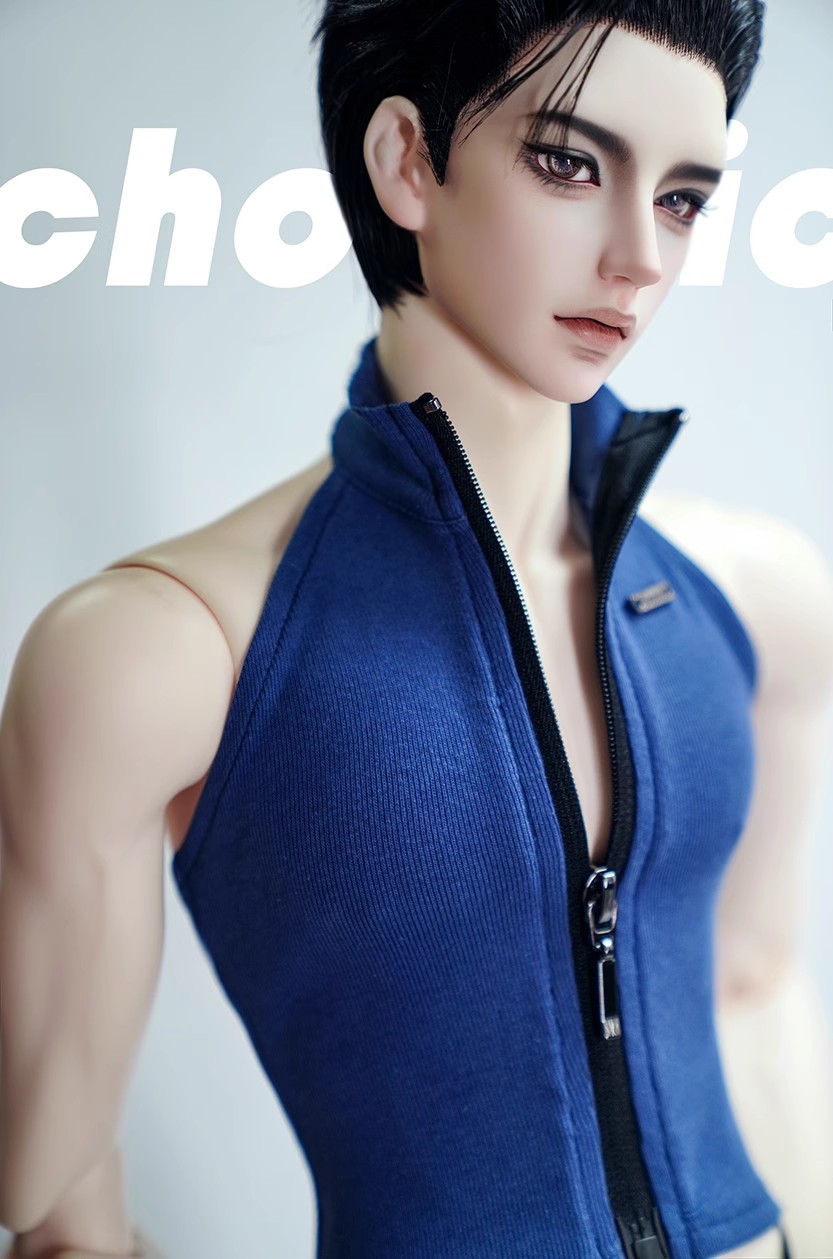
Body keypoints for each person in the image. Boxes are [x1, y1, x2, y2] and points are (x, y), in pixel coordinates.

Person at [1, 2, 832, 1256]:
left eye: (679, 198)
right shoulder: (168, 650)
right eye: (568, 163)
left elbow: (753, 986)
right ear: (405, 160)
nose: (637, 257)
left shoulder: (753, 602)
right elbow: (52, 1191)